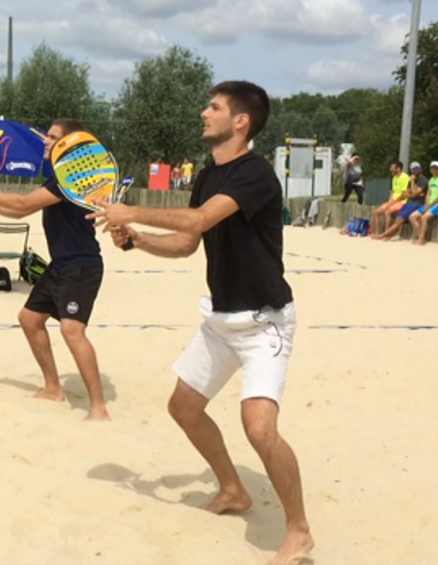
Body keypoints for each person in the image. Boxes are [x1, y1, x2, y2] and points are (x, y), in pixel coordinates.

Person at [90, 81, 312, 565]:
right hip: (221, 319)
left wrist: (130, 209)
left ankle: (298, 531)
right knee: (184, 407)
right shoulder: (209, 175)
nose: (202, 113)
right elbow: (190, 244)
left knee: (259, 429)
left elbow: (197, 222)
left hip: (265, 322)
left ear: (240, 121)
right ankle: (234, 489)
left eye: (213, 107)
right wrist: (137, 240)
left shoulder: (254, 174)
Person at [0, 118, 110, 421]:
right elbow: (17, 209)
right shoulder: (57, 175)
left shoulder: (71, 179)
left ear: (68, 144)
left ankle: (98, 407)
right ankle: (53, 388)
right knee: (29, 319)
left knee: (71, 331)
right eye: (47, 137)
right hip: (61, 265)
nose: (46, 142)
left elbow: (23, 204)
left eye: (53, 138)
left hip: (82, 266)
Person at [372, 162, 427, 241]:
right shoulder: (396, 178)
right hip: (408, 202)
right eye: (413, 169)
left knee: (394, 216)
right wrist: (390, 201)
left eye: (417, 168)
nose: (415, 171)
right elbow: (407, 193)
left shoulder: (420, 180)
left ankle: (385, 235)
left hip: (413, 203)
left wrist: (412, 182)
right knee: (396, 219)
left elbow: (413, 193)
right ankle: (384, 234)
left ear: (421, 169)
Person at [409, 161, 438, 245]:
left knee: (424, 217)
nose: (434, 170)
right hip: (430, 204)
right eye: (432, 168)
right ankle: (421, 237)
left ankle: (421, 239)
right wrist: (427, 205)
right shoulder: (431, 180)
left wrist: (429, 206)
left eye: (436, 168)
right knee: (412, 217)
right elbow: (428, 194)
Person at [370, 160, 410, 236]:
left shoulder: (405, 177)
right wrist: (389, 202)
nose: (390, 169)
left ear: (398, 169)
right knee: (376, 212)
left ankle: (386, 234)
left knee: (388, 212)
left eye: (392, 167)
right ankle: (377, 233)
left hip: (402, 202)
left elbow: (404, 194)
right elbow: (392, 192)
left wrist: (392, 203)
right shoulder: (394, 178)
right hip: (393, 201)